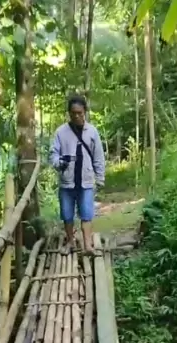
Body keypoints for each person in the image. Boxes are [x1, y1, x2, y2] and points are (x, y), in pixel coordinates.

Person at [50, 94, 105, 255]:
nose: (76, 116)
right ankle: (70, 242)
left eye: (79, 113)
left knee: (87, 214)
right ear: (69, 113)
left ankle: (87, 245)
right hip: (67, 181)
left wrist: (100, 178)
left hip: (86, 181)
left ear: (85, 112)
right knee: (67, 215)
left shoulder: (92, 132)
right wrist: (60, 162)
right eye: (73, 113)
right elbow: (53, 155)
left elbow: (98, 156)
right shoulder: (61, 132)